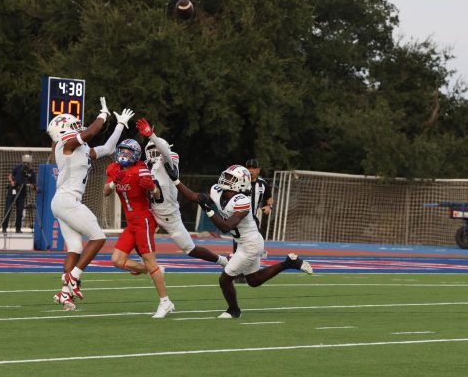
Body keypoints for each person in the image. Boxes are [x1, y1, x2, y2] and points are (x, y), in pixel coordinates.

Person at [165, 163, 313, 319]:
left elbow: (226, 227)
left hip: (251, 243)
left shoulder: (242, 201)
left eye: (230, 177)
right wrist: (176, 180)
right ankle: (289, 262)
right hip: (243, 242)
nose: (226, 178)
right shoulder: (217, 191)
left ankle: (234, 310)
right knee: (254, 280)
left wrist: (208, 210)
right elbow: (195, 197)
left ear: (240, 182)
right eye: (227, 175)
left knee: (225, 279)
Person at [48, 97, 134, 311]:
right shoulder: (65, 145)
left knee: (76, 247)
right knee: (98, 236)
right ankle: (74, 278)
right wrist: (102, 115)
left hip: (63, 201)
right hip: (66, 200)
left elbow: (108, 147)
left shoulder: (81, 149)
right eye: (75, 126)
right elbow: (92, 132)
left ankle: (64, 294)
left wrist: (120, 124)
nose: (79, 128)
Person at [134, 118, 229, 267]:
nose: (154, 153)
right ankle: (148, 265)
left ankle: (222, 261)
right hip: (152, 212)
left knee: (189, 249)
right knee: (138, 236)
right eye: (151, 150)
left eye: (156, 149)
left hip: (170, 214)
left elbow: (165, 153)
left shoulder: (169, 159)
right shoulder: (145, 166)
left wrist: (151, 136)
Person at [103, 138, 175, 318]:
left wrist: (152, 188)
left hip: (143, 221)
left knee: (151, 262)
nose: (123, 155)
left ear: (135, 155)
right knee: (117, 260)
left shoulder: (141, 169)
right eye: (122, 151)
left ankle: (165, 302)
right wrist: (113, 183)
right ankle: (151, 270)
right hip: (131, 224)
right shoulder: (114, 169)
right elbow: (105, 191)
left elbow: (157, 193)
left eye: (128, 152)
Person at [1, 154, 37, 234]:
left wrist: (31, 185)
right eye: (25, 162)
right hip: (13, 190)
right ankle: (4, 228)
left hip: (22, 192)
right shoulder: (18, 167)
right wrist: (12, 182)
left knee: (20, 211)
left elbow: (34, 185)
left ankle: (18, 228)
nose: (26, 164)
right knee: (8, 209)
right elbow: (10, 175)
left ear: (30, 163)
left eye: (28, 163)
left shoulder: (32, 172)